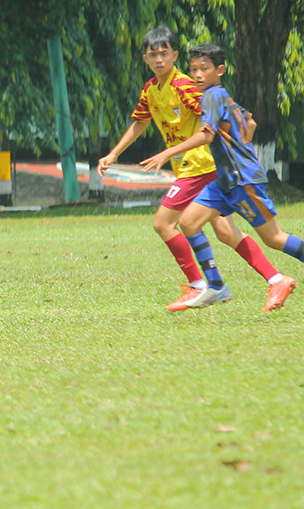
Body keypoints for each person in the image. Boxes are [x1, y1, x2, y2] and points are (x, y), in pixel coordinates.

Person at [141, 42, 304, 311]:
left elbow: (207, 135)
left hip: (242, 181)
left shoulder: (211, 96)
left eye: (204, 69)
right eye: (194, 69)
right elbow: (250, 123)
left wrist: (169, 152)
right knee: (188, 222)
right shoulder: (223, 96)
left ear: (219, 70)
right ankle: (216, 286)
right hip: (223, 182)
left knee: (274, 238)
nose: (198, 75)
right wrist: (240, 143)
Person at [97, 25, 277, 308]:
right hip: (192, 168)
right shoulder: (151, 89)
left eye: (164, 53)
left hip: (201, 166)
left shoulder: (183, 86)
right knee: (226, 232)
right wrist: (113, 154)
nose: (159, 59)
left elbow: (214, 113)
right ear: (145, 59)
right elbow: (140, 122)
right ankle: (275, 279)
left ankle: (199, 284)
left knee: (163, 223)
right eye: (153, 55)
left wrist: (242, 125)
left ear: (174, 55)